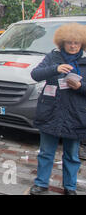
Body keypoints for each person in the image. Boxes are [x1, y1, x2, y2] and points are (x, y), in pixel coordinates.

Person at [29, 23, 86, 195]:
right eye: (69, 42)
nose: (73, 46)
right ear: (62, 43)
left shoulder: (84, 62)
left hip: (75, 115)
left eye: (76, 43)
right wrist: (55, 69)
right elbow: (35, 74)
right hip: (50, 112)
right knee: (46, 152)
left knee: (71, 155)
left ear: (82, 44)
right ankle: (41, 183)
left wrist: (80, 86)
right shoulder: (53, 57)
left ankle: (70, 187)